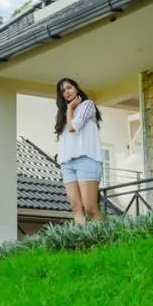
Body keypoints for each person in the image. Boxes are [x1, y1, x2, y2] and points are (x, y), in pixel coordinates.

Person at [55, 77, 104, 225]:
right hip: (68, 165)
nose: (66, 92)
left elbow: (73, 127)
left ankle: (106, 240)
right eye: (63, 91)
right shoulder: (62, 115)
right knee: (76, 208)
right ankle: (82, 243)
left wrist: (70, 108)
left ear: (76, 88)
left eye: (69, 87)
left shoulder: (87, 105)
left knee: (90, 208)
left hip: (87, 160)